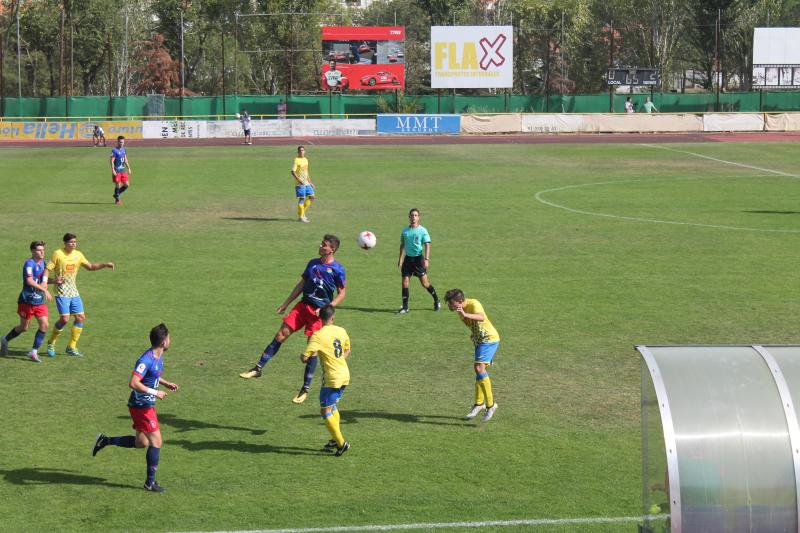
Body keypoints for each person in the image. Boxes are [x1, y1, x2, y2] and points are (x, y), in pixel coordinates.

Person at [240, 235, 346, 405]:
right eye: (321, 243)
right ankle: (258, 368)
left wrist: (327, 308)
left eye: (324, 245)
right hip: (302, 307)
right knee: (281, 335)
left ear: (332, 249)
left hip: (318, 315)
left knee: (312, 350)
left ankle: (305, 389)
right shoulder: (312, 263)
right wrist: (286, 303)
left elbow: (342, 293)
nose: (320, 246)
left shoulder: (338, 270)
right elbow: (301, 285)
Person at [92, 323, 178, 493]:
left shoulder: (157, 356)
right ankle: (149, 483)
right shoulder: (145, 359)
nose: (170, 340)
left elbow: (152, 375)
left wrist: (165, 383)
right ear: (163, 342)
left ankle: (104, 440)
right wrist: (155, 392)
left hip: (144, 404)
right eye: (168, 337)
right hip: (141, 406)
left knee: (141, 443)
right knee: (157, 442)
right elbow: (133, 383)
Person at [46, 233, 115, 357]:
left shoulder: (78, 255)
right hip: (61, 292)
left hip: (74, 292)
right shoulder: (58, 254)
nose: (74, 244)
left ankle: (71, 347)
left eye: (75, 242)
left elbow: (90, 266)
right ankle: (51, 342)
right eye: (71, 242)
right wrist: (45, 283)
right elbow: (47, 269)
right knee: (65, 319)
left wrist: (104, 265)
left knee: (81, 318)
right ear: (65, 243)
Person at [301, 304, 351, 457]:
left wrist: (303, 356)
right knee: (332, 406)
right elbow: (347, 349)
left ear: (319, 318)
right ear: (333, 317)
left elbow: (305, 358)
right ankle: (334, 439)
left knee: (325, 411)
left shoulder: (318, 335)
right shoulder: (341, 330)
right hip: (344, 374)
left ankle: (342, 444)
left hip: (332, 378)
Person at [444, 289, 500, 422]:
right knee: (479, 371)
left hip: (489, 339)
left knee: (479, 369)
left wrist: (465, 314)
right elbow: (474, 325)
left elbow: (481, 317)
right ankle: (479, 404)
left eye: (451, 303)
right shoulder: (460, 311)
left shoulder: (473, 304)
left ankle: (490, 405)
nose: (449, 306)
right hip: (480, 341)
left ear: (460, 302)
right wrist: (473, 335)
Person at [0, 241, 61, 363]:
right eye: (39, 250)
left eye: (43, 249)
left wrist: (54, 281)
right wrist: (45, 290)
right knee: (24, 327)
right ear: (33, 251)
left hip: (39, 301)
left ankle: (33, 352)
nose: (42, 251)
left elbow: (41, 279)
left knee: (44, 325)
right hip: (26, 301)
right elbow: (29, 281)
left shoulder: (43, 264)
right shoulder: (29, 264)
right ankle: (5, 339)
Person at [397, 208, 440, 314]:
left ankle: (436, 300)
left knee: (425, 284)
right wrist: (400, 259)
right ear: (409, 217)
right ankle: (405, 307)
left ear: (418, 217)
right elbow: (402, 245)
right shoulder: (405, 231)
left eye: (416, 215)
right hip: (408, 260)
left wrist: (427, 259)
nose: (413, 217)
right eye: (412, 215)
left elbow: (427, 245)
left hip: (418, 260)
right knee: (405, 282)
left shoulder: (422, 230)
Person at [292, 146, 315, 223]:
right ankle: (301, 217)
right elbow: (293, 171)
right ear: (298, 152)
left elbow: (306, 172)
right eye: (300, 150)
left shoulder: (306, 160)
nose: (302, 152)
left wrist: (310, 182)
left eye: (303, 150)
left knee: (312, 197)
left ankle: (302, 213)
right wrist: (299, 180)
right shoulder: (296, 160)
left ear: (304, 151)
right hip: (300, 184)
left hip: (307, 182)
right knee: (302, 199)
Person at [111, 135, 132, 205]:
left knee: (127, 185)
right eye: (120, 142)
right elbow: (111, 161)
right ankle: (117, 200)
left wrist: (129, 168)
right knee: (117, 185)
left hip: (123, 171)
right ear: (117, 142)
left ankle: (116, 194)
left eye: (122, 142)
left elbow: (125, 159)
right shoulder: (114, 150)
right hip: (117, 171)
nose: (121, 143)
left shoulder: (124, 149)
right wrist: (113, 170)